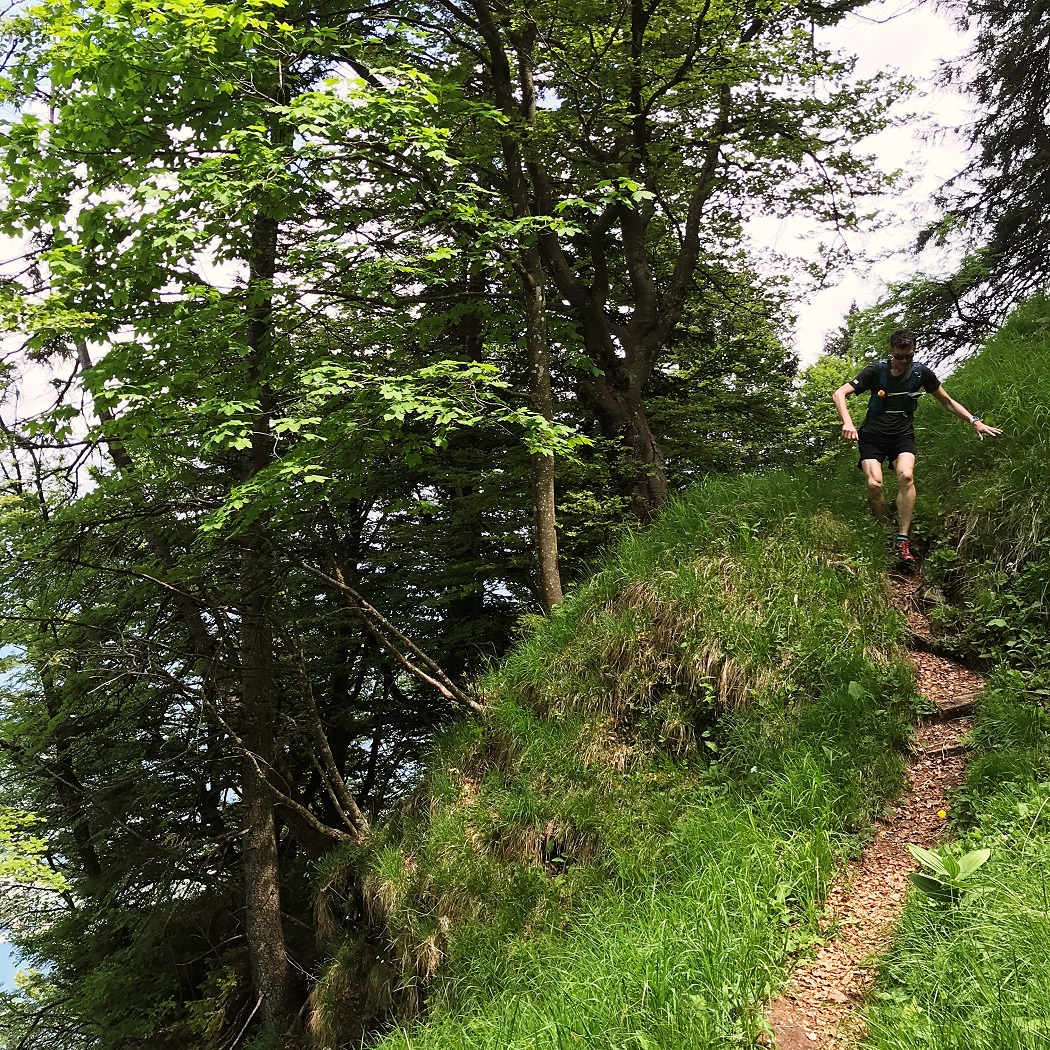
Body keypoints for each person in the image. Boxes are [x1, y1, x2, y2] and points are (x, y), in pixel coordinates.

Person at [832, 329, 1002, 564]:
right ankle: (883, 529)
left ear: (913, 352)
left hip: (902, 435)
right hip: (872, 436)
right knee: (874, 484)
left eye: (908, 356)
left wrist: (974, 421)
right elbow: (840, 393)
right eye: (899, 356)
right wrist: (848, 422)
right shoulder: (876, 371)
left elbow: (948, 402)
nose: (903, 361)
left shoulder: (921, 373)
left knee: (906, 476)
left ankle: (903, 538)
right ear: (891, 351)